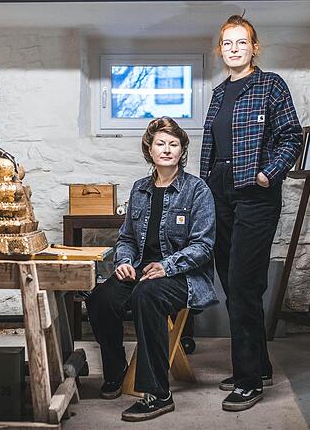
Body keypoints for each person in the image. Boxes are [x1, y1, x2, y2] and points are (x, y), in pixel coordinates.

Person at [200, 15, 303, 412]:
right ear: (220, 49)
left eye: (241, 42)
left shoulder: (271, 85)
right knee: (233, 279)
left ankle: (247, 382)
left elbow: (292, 136)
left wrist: (267, 175)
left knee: (243, 283)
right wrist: (206, 187)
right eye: (227, 43)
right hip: (220, 192)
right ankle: (257, 364)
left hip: (255, 194)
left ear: (254, 47)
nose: (234, 48)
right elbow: (211, 145)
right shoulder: (219, 93)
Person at [86, 117, 217, 422]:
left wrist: (167, 265)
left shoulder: (198, 190)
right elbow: (127, 238)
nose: (167, 149)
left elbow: (203, 246)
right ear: (150, 149)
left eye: (174, 144)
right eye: (161, 143)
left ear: (182, 150)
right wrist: (123, 264)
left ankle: (157, 394)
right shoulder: (140, 189)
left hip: (183, 278)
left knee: (147, 295)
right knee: (100, 297)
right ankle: (116, 372)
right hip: (142, 273)